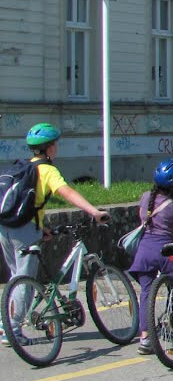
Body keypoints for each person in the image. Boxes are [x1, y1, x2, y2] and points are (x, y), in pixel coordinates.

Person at [0, 123, 109, 347]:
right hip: (24, 230)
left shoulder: (22, 166)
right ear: (49, 148)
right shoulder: (47, 170)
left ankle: (6, 323)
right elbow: (66, 192)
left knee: (15, 276)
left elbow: (29, 201)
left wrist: (42, 226)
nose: (56, 148)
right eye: (55, 144)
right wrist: (94, 211)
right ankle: (12, 330)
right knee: (26, 280)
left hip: (6, 226)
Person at [128, 158, 173, 355]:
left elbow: (142, 219)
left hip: (144, 251)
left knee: (146, 293)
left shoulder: (145, 198)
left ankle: (145, 338)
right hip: (165, 252)